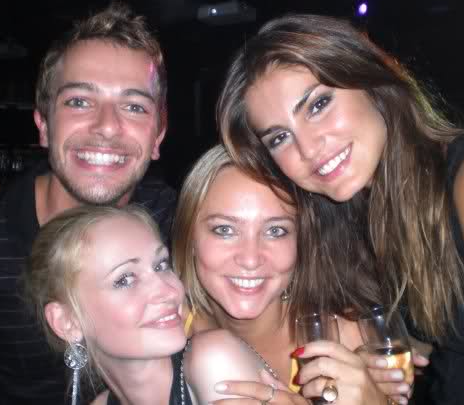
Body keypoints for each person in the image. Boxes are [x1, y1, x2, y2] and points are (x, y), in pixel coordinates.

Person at [216, 14, 464, 404]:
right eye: (280, 137)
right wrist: (401, 354)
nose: (308, 149)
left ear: (371, 81)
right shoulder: (369, 216)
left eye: (318, 105)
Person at [0, 2, 176, 404]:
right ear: (44, 125)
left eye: (134, 106)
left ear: (158, 136)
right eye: (79, 101)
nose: (107, 126)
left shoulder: (175, 219)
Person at [173, 145, 412, 405]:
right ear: (189, 238)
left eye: (275, 231)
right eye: (224, 230)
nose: (251, 259)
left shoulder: (349, 340)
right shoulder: (165, 330)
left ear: (301, 242)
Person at [25, 204, 267, 405]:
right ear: (68, 322)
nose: (169, 291)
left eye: (161, 265)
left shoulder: (214, 361)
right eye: (125, 279)